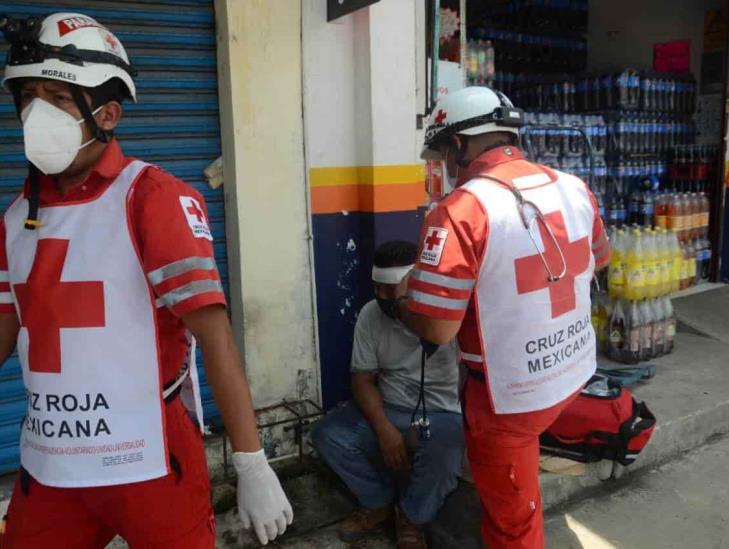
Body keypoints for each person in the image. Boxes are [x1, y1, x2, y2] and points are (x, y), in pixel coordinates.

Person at [0, 12, 291, 548]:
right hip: (49, 465)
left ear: (107, 113)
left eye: (60, 98)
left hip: (150, 458)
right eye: (29, 97)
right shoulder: (17, 219)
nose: (38, 113)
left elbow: (214, 335)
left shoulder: (150, 197)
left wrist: (251, 463)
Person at [393, 87, 611, 549]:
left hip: (509, 399)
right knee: (517, 481)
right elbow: (599, 260)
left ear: (457, 145)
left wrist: (406, 302)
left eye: (443, 156)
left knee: (512, 525)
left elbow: (437, 328)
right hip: (571, 371)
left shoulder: (459, 211)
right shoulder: (575, 188)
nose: (445, 168)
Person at [312, 241, 464, 549]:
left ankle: (411, 516)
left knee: (446, 456)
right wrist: (384, 429)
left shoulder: (449, 314)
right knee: (328, 435)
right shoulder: (372, 314)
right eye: (377, 288)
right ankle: (377, 502)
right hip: (388, 406)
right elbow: (362, 379)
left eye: (389, 289)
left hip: (439, 412)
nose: (381, 297)